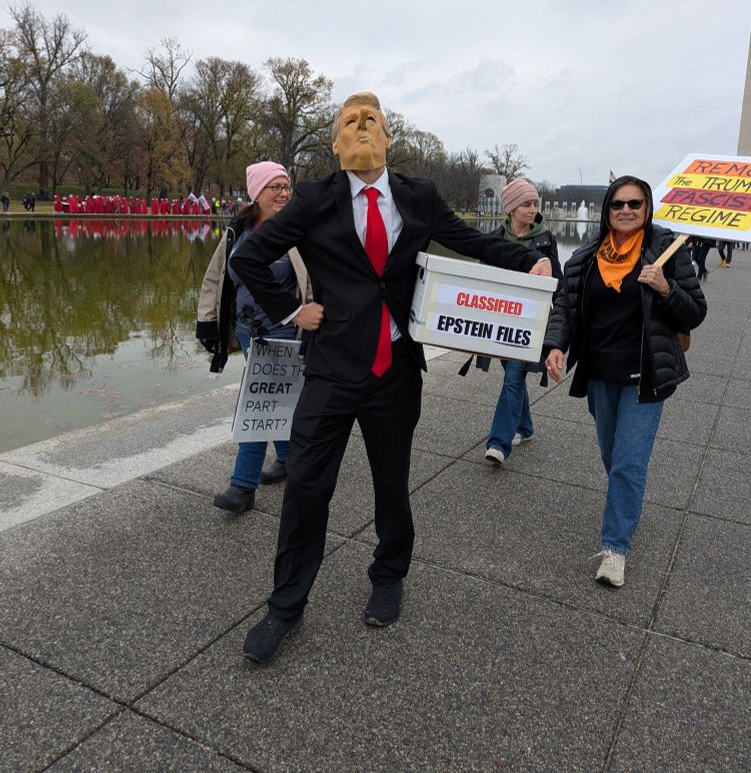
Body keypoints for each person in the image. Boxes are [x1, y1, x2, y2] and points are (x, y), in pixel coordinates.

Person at [231, 91, 553, 662]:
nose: (360, 128)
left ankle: (388, 573)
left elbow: (472, 242)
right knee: (306, 487)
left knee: (391, 482)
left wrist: (526, 261)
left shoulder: (418, 196)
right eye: (348, 122)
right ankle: (285, 606)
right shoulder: (313, 199)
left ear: (388, 138)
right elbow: (248, 259)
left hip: (395, 369)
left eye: (371, 120)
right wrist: (289, 309)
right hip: (330, 368)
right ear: (335, 144)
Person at [544, 175, 706, 589]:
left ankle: (614, 548)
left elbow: (695, 313)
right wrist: (556, 345)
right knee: (614, 459)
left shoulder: (666, 252)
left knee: (629, 463)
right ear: (607, 210)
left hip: (645, 375)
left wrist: (665, 287)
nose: (626, 211)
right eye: (618, 204)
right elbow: (565, 305)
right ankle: (627, 503)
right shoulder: (585, 255)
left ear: (647, 207)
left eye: (635, 203)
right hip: (599, 374)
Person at [196, 162, 312, 511]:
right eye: (273, 187)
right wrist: (207, 320)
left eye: (285, 186)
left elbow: (316, 278)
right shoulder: (238, 229)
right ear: (255, 194)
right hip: (247, 331)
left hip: (283, 332)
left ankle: (242, 487)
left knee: (259, 403)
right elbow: (217, 275)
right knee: (274, 399)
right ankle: (290, 458)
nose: (282, 193)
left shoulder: (297, 230)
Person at [484, 179, 562, 465]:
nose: (532, 210)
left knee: (513, 376)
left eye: (534, 205)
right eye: (526, 204)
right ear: (511, 208)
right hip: (502, 319)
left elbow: (558, 282)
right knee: (511, 374)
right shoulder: (493, 239)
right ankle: (525, 427)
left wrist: (559, 324)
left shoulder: (545, 239)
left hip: (531, 321)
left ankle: (498, 444)